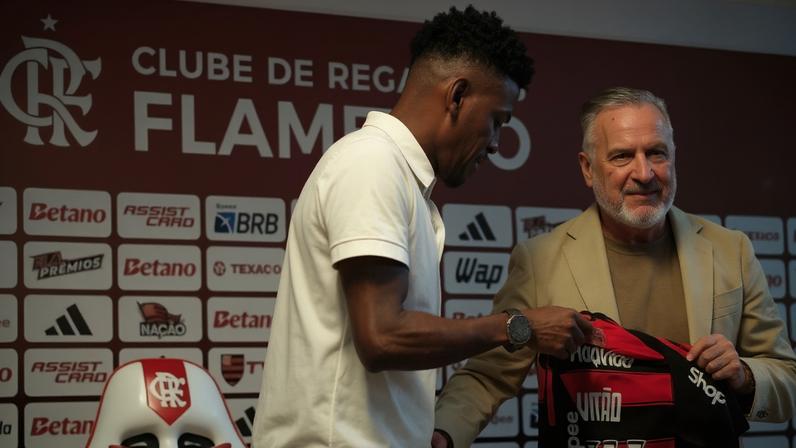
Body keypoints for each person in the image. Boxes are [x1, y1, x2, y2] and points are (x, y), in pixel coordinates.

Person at [252, 7, 596, 448]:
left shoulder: (399, 178)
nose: (494, 143)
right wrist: (518, 326)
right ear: (457, 95)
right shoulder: (372, 164)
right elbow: (382, 336)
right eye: (497, 120)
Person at [432, 87, 796, 447]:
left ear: (674, 157)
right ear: (588, 169)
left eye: (656, 153)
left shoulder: (730, 249)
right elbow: (488, 376)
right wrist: (441, 433)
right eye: (622, 156)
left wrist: (745, 376)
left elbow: (786, 377)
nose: (644, 173)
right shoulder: (540, 259)